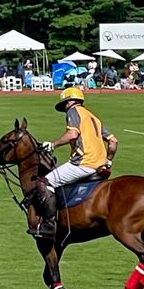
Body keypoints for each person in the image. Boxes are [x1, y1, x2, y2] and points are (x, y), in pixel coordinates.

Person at [29, 87, 118, 238]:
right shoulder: (93, 117)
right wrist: (108, 160)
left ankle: (49, 224)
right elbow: (113, 141)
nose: (65, 108)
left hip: (83, 163)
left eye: (64, 104)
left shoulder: (73, 111)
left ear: (70, 101)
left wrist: (53, 144)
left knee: (44, 182)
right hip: (99, 166)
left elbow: (73, 134)